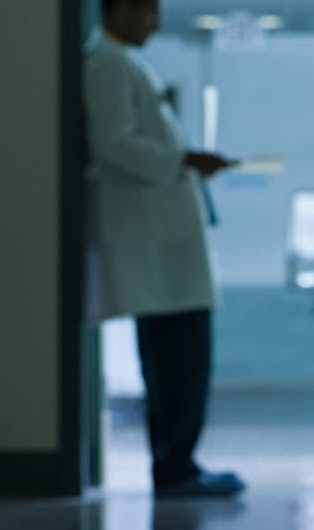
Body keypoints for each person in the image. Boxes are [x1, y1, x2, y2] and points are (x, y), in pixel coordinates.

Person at [86, 0, 244, 497]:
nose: (155, 23)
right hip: (152, 242)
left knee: (178, 358)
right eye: (148, 12)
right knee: (178, 359)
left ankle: (177, 463)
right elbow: (114, 145)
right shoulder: (107, 65)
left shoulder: (124, 63)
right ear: (117, 10)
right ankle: (175, 467)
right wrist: (184, 159)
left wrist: (183, 161)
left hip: (163, 242)